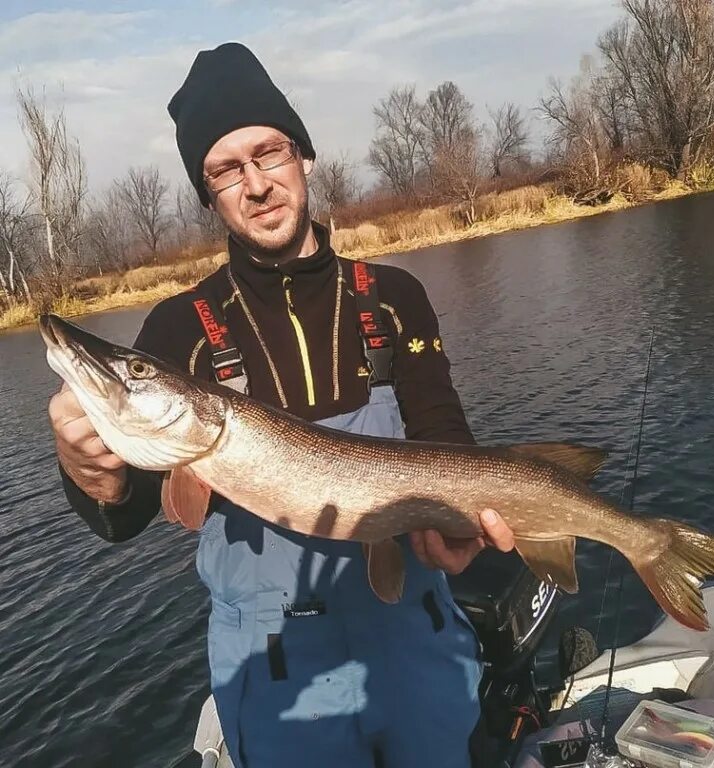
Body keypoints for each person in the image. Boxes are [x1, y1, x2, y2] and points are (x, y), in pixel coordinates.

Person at [48, 42, 516, 768]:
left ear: (302, 157)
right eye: (227, 170)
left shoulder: (393, 297)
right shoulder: (178, 328)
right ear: (209, 194)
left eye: (269, 153)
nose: (257, 183)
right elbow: (129, 507)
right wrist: (91, 472)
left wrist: (453, 526)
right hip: (276, 669)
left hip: (416, 641)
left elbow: (440, 435)